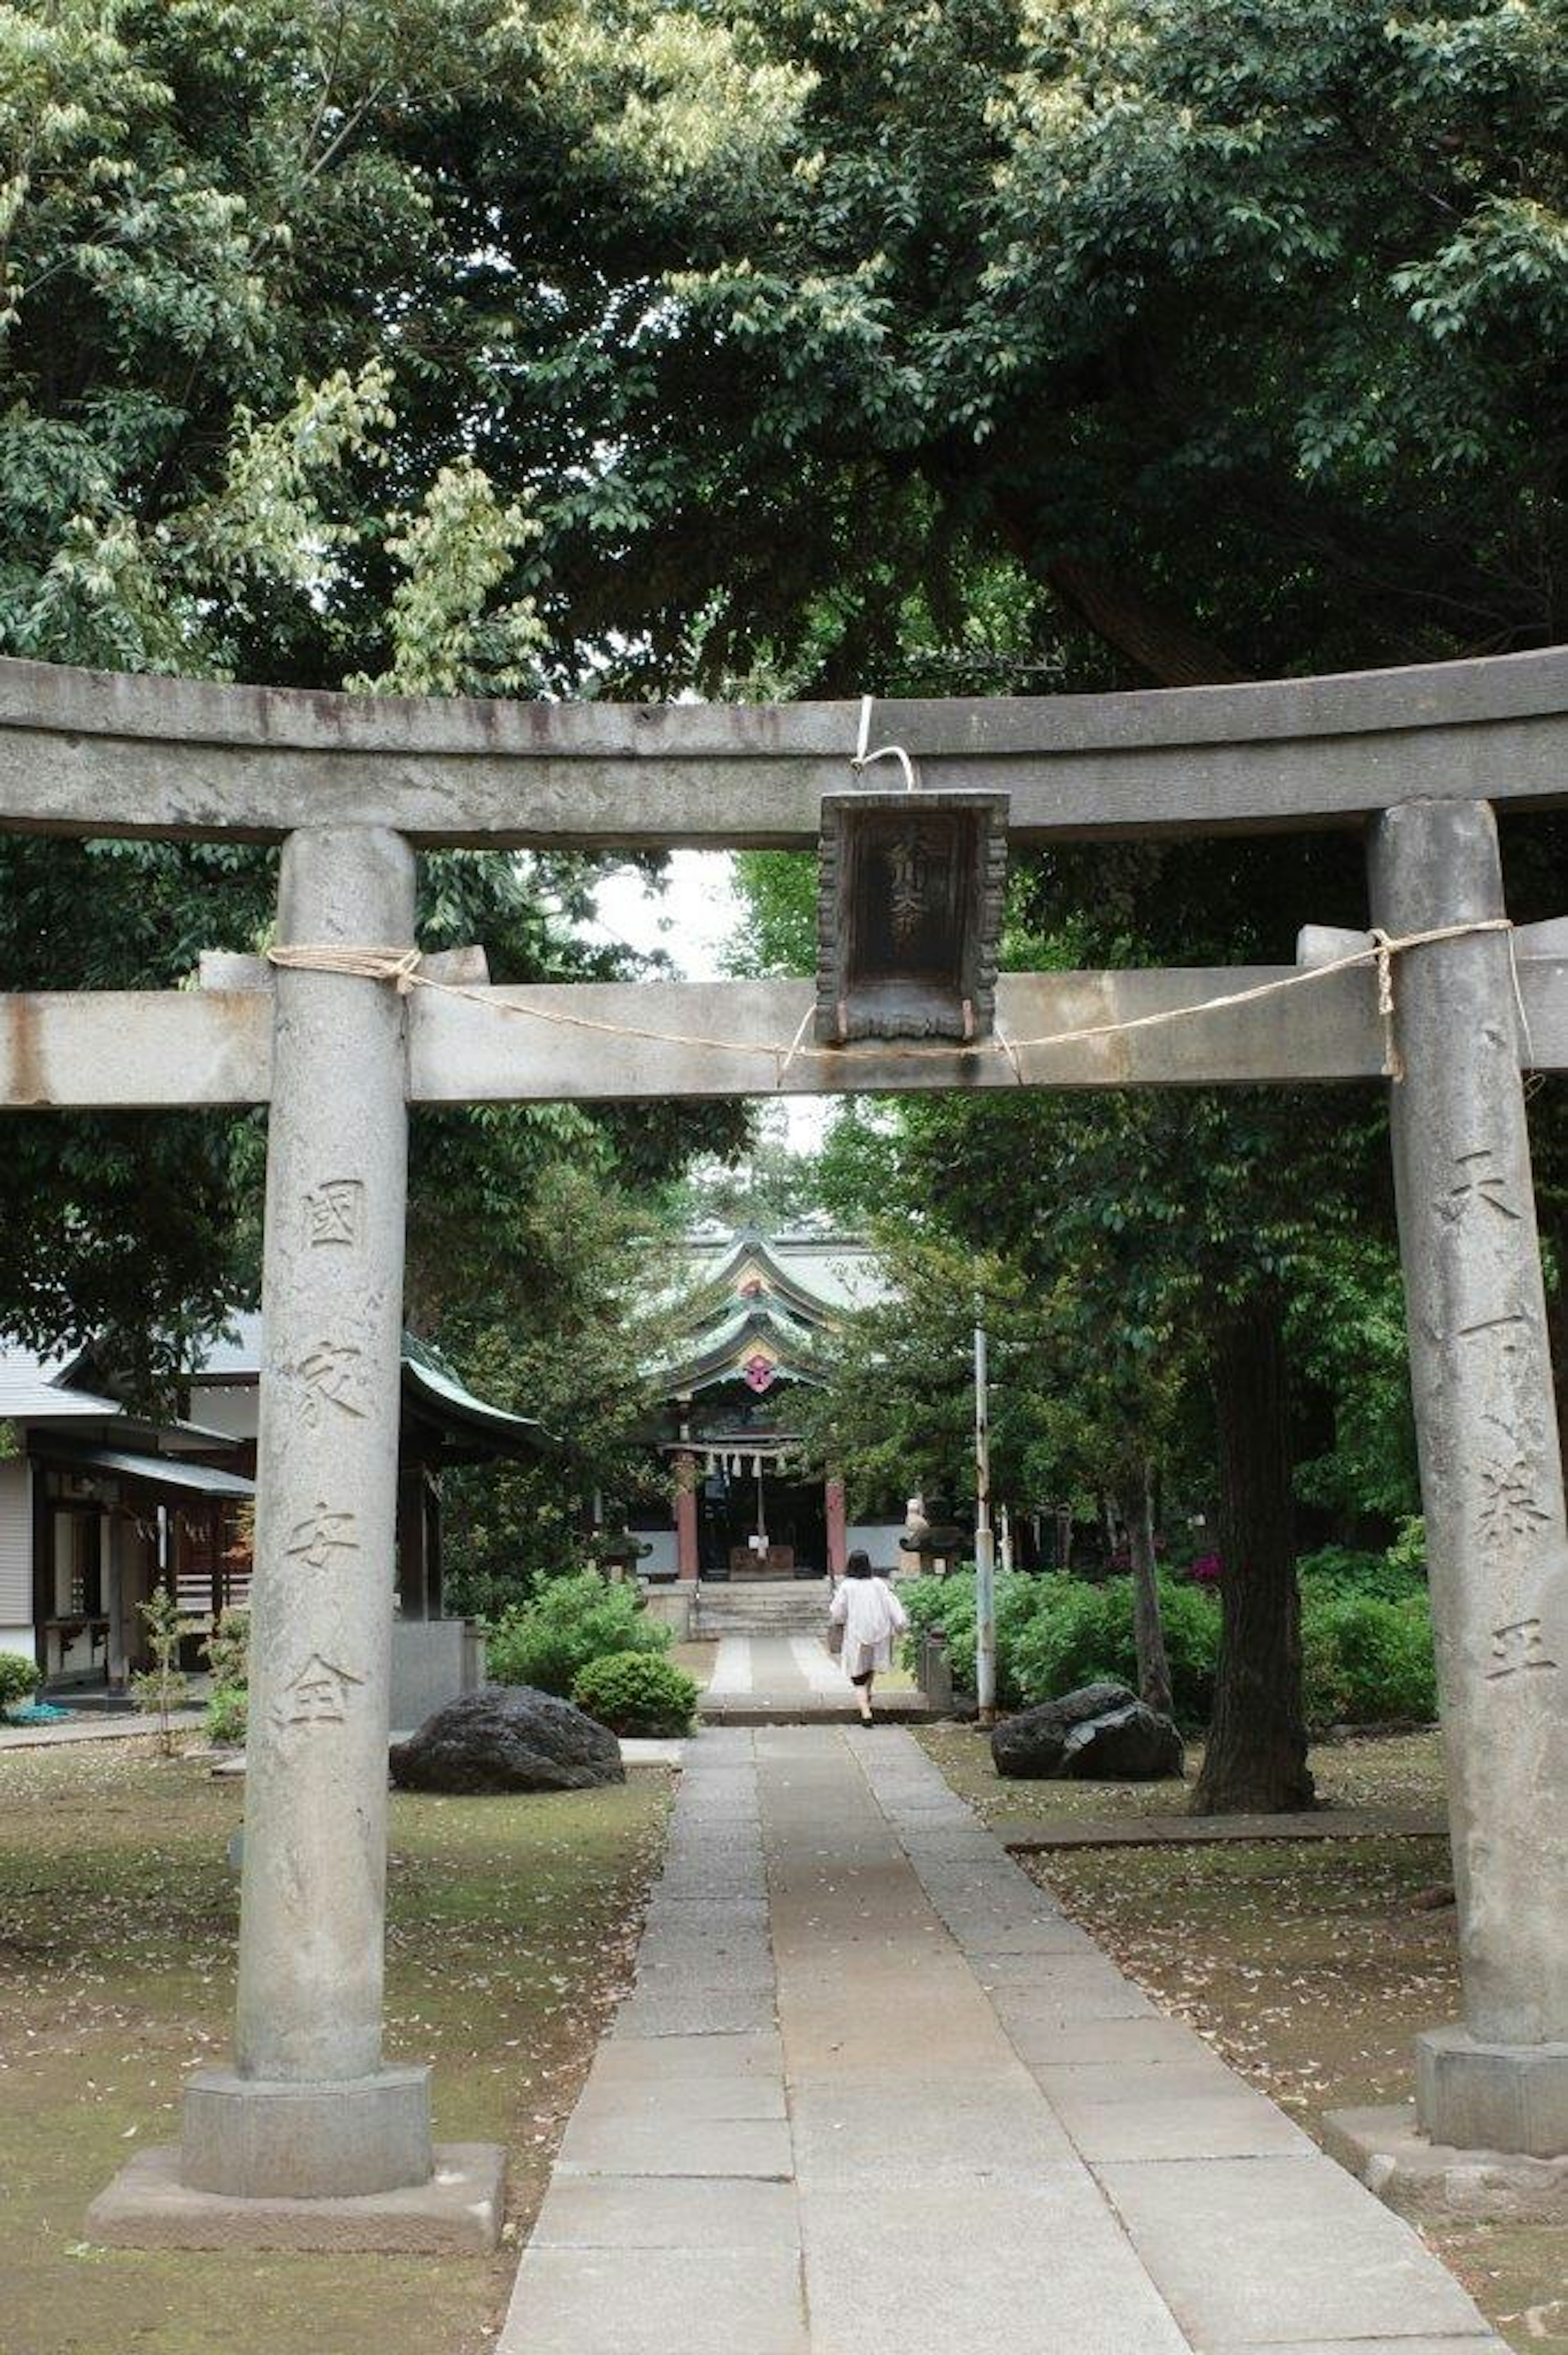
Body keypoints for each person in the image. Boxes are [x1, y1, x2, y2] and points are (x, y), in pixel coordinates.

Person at [829, 1550, 909, 1725]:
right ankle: (867, 1696)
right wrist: (901, 1626)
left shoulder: (847, 1586)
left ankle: (866, 1713)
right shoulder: (879, 1584)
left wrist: (841, 1621)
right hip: (880, 1633)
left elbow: (837, 1613)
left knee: (857, 1675)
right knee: (871, 1666)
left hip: (858, 1634)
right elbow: (892, 1605)